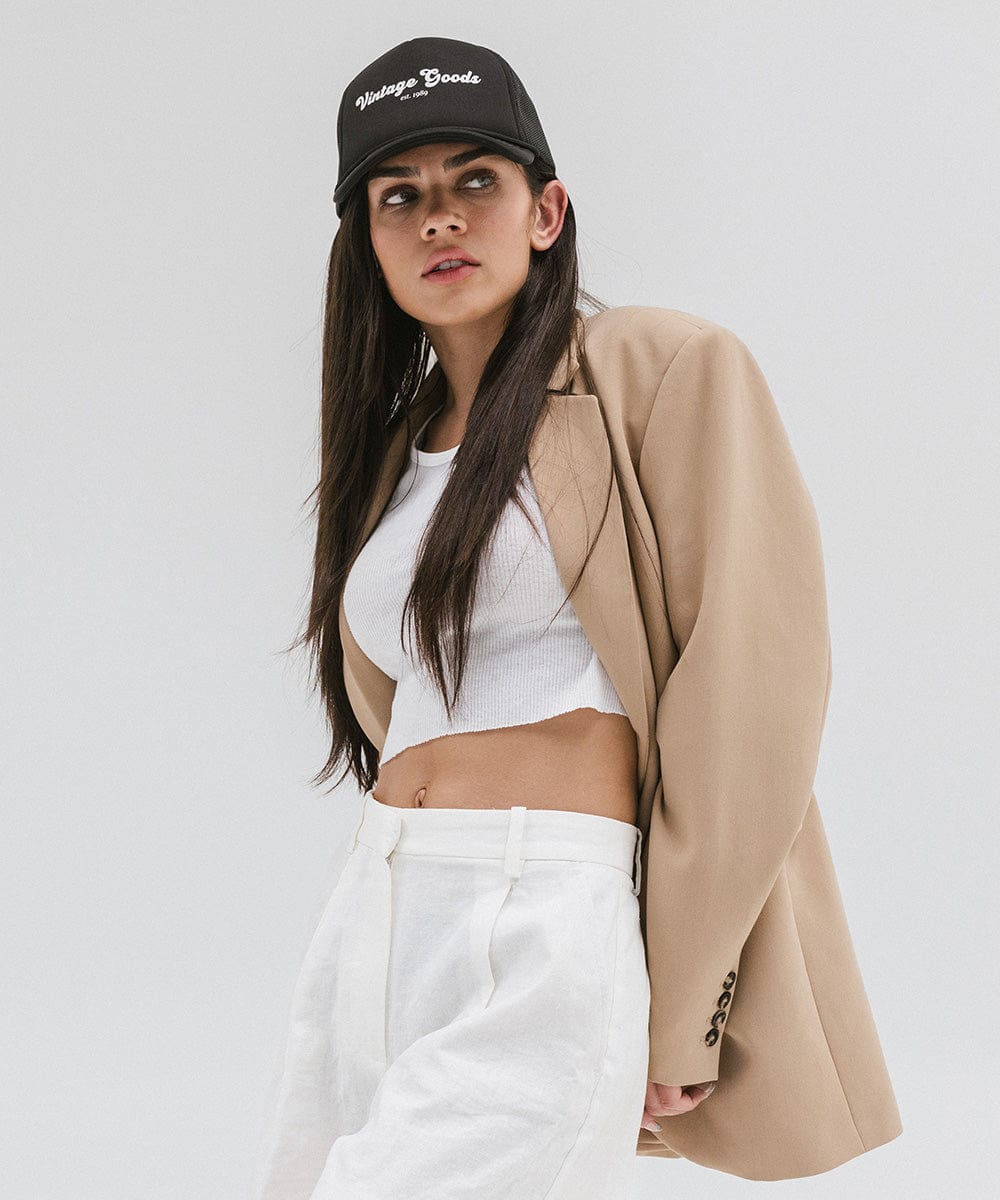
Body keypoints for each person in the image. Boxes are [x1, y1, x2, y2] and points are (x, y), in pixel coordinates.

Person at [252, 36, 902, 1198]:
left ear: (546, 211)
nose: (439, 219)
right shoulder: (390, 463)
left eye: (474, 182)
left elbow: (751, 686)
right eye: (400, 197)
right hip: (378, 915)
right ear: (369, 245)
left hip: (542, 905)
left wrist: (686, 986)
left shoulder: (660, 369)